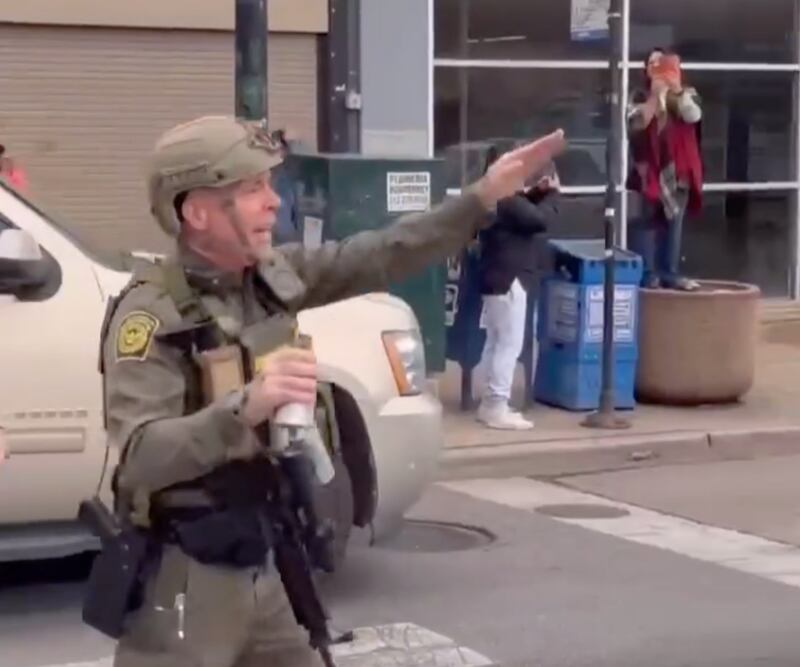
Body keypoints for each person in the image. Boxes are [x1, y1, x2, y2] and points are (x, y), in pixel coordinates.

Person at [98, 114, 566, 667]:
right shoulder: (151, 317)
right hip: (185, 580)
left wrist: (480, 198)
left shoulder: (267, 279)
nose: (273, 202)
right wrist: (245, 407)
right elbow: (140, 456)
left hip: (262, 560)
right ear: (196, 212)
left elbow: (380, 253)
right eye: (252, 190)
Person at [475, 151, 560, 430]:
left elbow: (525, 212)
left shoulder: (494, 197)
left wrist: (538, 192)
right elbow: (538, 220)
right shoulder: (506, 199)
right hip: (509, 278)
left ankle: (490, 403)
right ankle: (496, 406)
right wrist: (552, 195)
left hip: (495, 279)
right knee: (508, 344)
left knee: (496, 342)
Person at [626, 48, 703, 291]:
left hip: (676, 172)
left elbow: (693, 116)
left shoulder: (686, 94)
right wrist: (654, 97)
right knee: (647, 225)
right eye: (652, 65)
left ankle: (670, 274)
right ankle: (648, 276)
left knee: (673, 224)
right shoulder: (639, 95)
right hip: (647, 172)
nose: (657, 69)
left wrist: (676, 90)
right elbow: (636, 123)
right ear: (646, 70)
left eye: (662, 64)